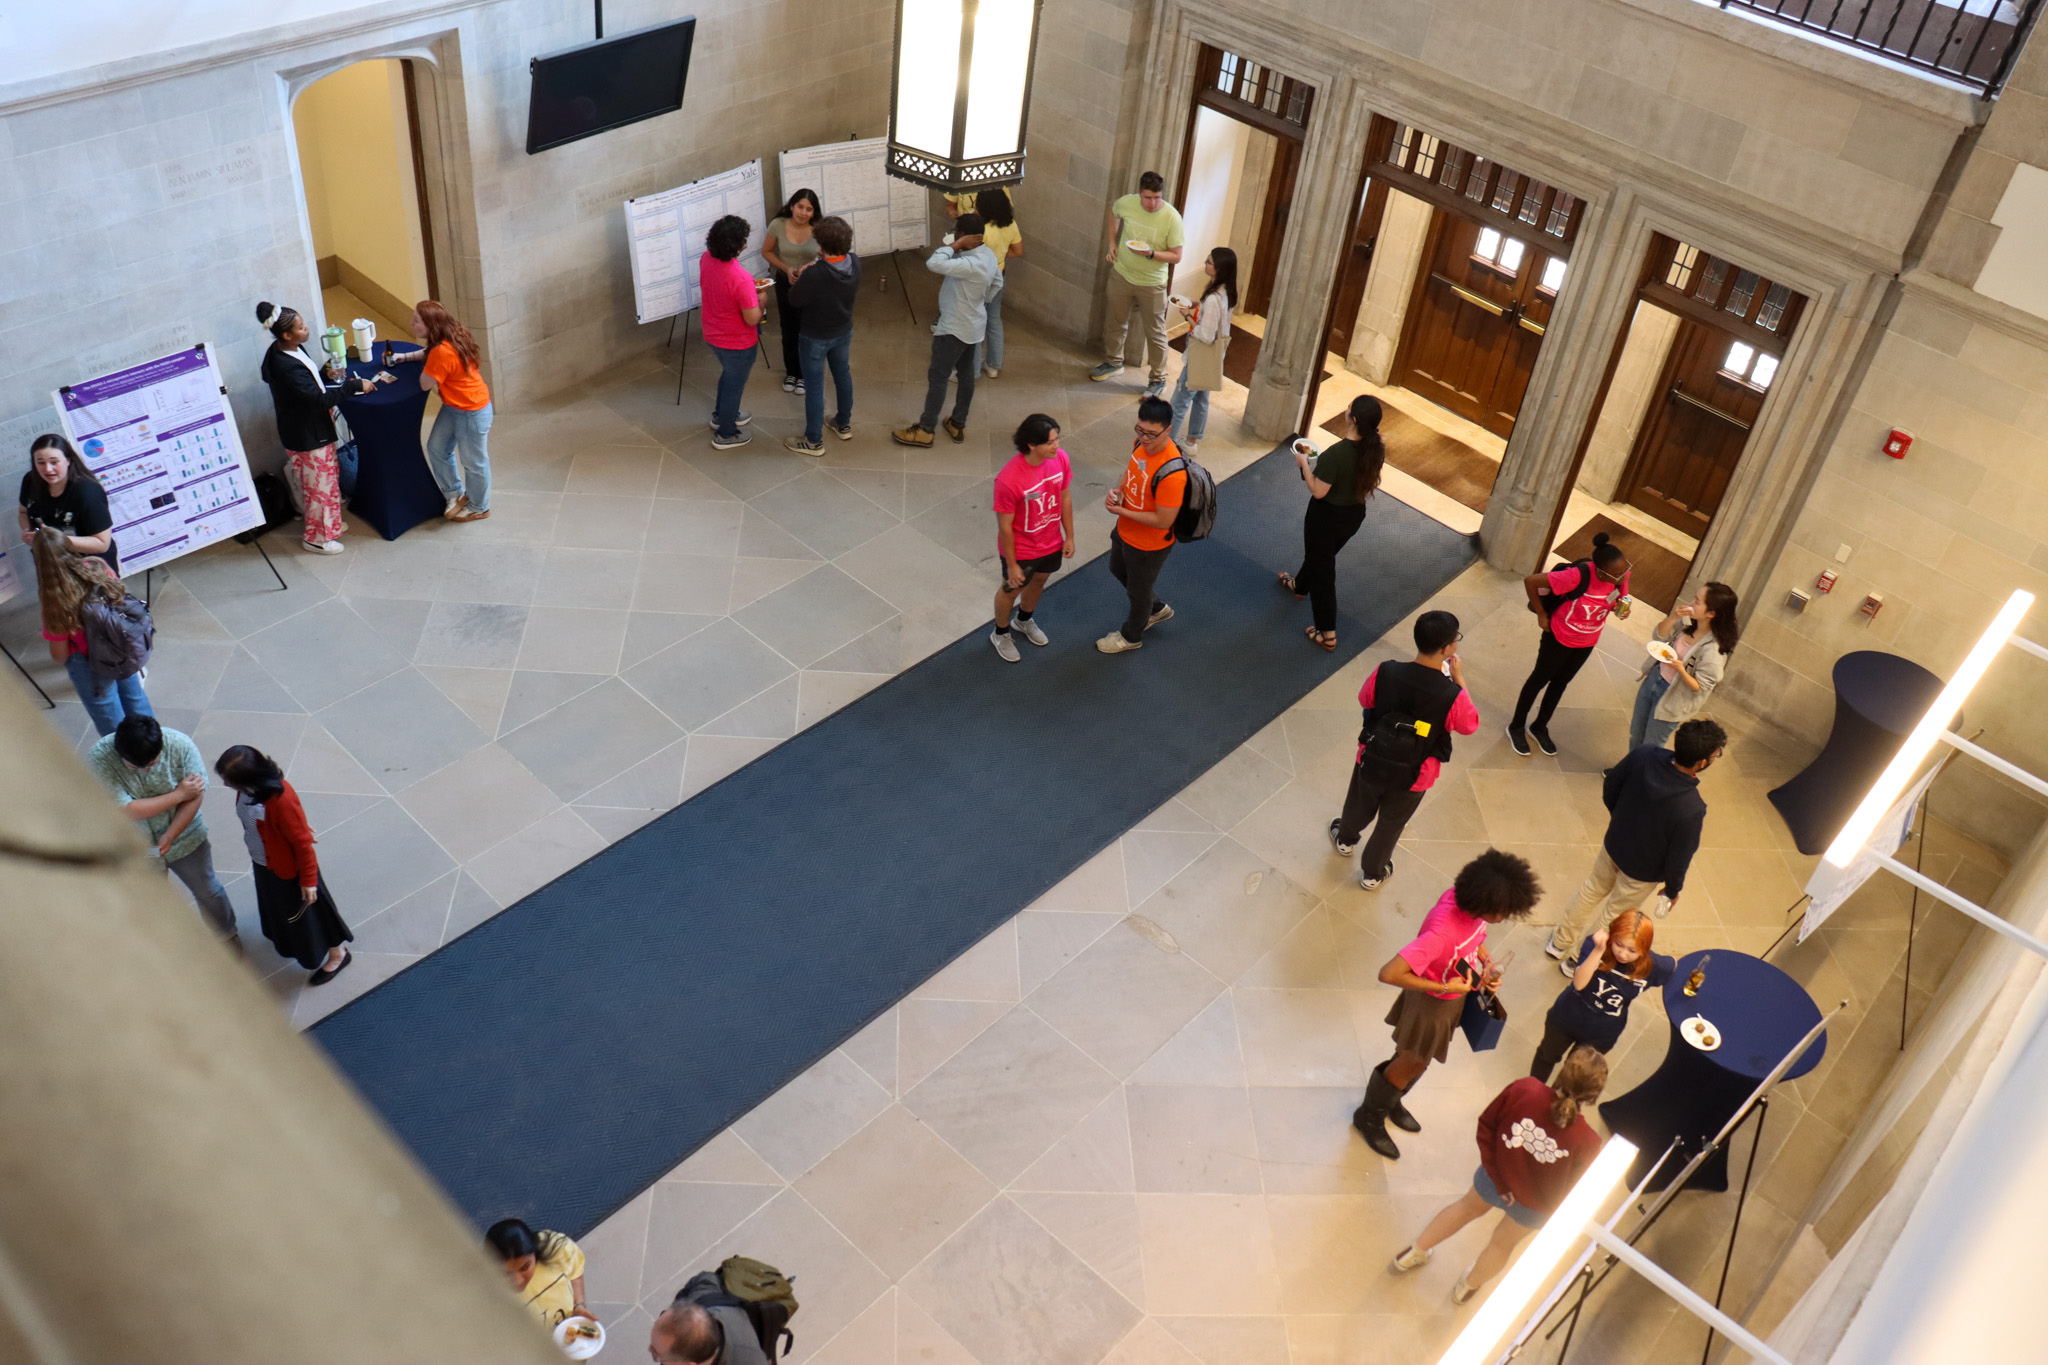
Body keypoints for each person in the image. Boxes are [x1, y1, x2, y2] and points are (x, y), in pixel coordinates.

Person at [1353, 848, 1542, 1160]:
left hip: (1450, 997)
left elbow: (1475, 938)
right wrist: (1443, 985)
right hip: (1431, 1003)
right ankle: (1369, 1116)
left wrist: (1485, 962)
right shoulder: (1441, 933)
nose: (1504, 917)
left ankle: (1392, 1099)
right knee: (1414, 1060)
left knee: (1415, 1058)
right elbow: (1389, 973)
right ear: (1484, 902)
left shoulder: (1466, 902)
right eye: (1502, 912)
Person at [1390, 1048, 1608, 1305]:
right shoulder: (1588, 1141)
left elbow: (1487, 1125)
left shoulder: (1524, 1090)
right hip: (1534, 1207)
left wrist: (1501, 1179)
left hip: (1495, 1175)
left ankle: (1415, 1252)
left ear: (1564, 1071)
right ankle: (1467, 1288)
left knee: (1463, 1209)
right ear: (1593, 1096)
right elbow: (1574, 1191)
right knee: (1501, 1246)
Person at [1545, 718, 1724, 968]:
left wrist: (1619, 819)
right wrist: (1672, 890)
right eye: (1717, 754)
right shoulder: (1691, 807)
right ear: (1702, 761)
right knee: (1613, 916)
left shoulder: (1644, 754)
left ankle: (1559, 943)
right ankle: (1578, 960)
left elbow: (1611, 785)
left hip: (1614, 845)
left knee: (1591, 890)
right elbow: (1679, 856)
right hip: (1642, 872)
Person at [1328, 610, 1477, 890]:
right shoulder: (1451, 695)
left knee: (1359, 802)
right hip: (1415, 774)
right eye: (1455, 639)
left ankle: (1345, 840)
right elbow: (1469, 725)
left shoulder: (1386, 671)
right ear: (1446, 648)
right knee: (1391, 823)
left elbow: (1365, 699)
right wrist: (1459, 680)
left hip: (1373, 757)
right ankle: (1373, 873)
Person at [88, 715, 240, 951]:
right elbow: (126, 810)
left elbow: (196, 795)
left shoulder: (180, 745)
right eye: (136, 767)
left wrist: (170, 834)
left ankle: (226, 934)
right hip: (137, 844)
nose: (145, 769)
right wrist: (178, 795)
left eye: (151, 763)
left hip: (186, 838)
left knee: (208, 890)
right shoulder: (99, 760)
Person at [214, 744, 352, 985]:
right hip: (265, 862)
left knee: (314, 913)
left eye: (229, 780)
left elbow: (302, 845)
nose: (225, 784)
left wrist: (308, 880)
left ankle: (338, 953)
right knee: (282, 909)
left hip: (289, 869)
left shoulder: (281, 798)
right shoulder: (249, 791)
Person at [255, 301, 382, 554]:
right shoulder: (286, 366)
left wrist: (326, 375)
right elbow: (317, 400)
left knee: (326, 481)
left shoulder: (287, 349)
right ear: (287, 335)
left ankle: (330, 525)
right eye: (301, 327)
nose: (307, 329)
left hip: (308, 430)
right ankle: (317, 538)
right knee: (319, 488)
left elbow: (309, 386)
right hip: (307, 435)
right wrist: (353, 387)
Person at [1506, 530, 1633, 756]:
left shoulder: (1621, 575)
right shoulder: (1576, 576)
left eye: (1625, 571)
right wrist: (1541, 614)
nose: (1624, 577)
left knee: (1561, 682)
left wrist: (1621, 609)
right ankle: (1516, 726)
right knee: (1539, 679)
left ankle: (1539, 726)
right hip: (1559, 637)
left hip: (1587, 640)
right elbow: (1531, 581)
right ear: (1601, 573)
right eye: (1618, 574)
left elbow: (1621, 598)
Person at [1281, 394, 1385, 650]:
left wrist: (1304, 463)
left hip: (1326, 518)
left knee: (1323, 572)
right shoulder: (1376, 449)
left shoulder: (1336, 454)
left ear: (1353, 419)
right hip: (1353, 516)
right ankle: (1299, 585)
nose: (1345, 407)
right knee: (1320, 557)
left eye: (1349, 406)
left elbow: (1318, 491)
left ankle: (1327, 633)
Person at [31, 526, 154, 736]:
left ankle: (125, 759)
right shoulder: (97, 566)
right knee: (136, 700)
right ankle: (153, 745)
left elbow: (59, 655)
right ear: (69, 545)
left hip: (90, 664)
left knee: (109, 717)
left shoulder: (54, 600)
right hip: (121, 648)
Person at [893, 212, 1000, 448]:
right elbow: (998, 282)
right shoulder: (988, 256)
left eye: (957, 232)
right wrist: (979, 301)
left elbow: (933, 263)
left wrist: (957, 244)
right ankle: (957, 422)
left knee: (938, 377)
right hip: (974, 326)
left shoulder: (970, 263)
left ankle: (925, 429)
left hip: (954, 328)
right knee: (965, 377)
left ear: (963, 235)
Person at [1532, 909, 1674, 1080]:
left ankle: (1560, 1106)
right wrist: (1599, 950)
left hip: (1601, 1033)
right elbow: (1579, 983)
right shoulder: (1594, 945)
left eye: (1632, 950)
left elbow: (1674, 969)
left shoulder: (1654, 966)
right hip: (1566, 1018)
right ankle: (1533, 1095)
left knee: (1575, 1077)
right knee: (1546, 1055)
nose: (1622, 954)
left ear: (1644, 950)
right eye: (1619, 945)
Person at [385, 301, 493, 523]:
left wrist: (428, 367)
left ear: (431, 325)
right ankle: (455, 494)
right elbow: (429, 352)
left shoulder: (442, 352)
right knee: (437, 447)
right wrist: (405, 357)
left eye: (416, 320)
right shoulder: (451, 333)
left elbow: (425, 383)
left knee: (474, 463)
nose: (412, 323)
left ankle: (479, 506)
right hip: (455, 406)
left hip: (471, 412)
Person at [1095, 396, 1186, 655]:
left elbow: (1163, 520)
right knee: (1117, 568)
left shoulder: (1172, 473)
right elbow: (1131, 471)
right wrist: (1119, 491)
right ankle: (1156, 609)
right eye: (1140, 430)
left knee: (1138, 591)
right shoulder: (1140, 444)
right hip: (1125, 529)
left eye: (1151, 434)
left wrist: (1121, 510)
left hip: (1149, 545)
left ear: (1168, 430)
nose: (1144, 439)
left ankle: (1131, 636)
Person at [1091, 171, 1185, 397]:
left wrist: (1151, 253)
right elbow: (1113, 212)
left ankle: (1157, 378)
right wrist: (1112, 242)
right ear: (1139, 193)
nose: (1152, 203)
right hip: (1122, 275)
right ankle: (1114, 362)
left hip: (1152, 284)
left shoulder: (1171, 218)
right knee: (1115, 321)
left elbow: (1176, 256)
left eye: (1156, 198)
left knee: (1155, 332)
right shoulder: (1127, 203)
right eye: (1147, 197)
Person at [990, 413, 1074, 662]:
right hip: (1023, 550)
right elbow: (1005, 527)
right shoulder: (1009, 480)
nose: (1056, 446)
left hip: (1050, 542)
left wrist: (1069, 536)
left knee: (1039, 581)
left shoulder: (1060, 459)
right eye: (1050, 442)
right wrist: (1013, 564)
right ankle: (1001, 633)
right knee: (1010, 590)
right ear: (1031, 445)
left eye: (1057, 439)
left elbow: (1065, 497)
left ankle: (1023, 620)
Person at [1631, 582, 1740, 752]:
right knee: (1636, 733)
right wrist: (1674, 617)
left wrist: (1681, 669)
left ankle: (1639, 777)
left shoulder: (1713, 650)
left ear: (1711, 613)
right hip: (1654, 678)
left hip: (1673, 696)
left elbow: (1701, 687)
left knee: (1651, 747)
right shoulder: (1687, 622)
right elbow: (1658, 636)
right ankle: (1627, 771)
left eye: (1697, 601)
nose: (1691, 603)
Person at [784, 214, 860, 455]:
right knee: (843, 376)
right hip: (843, 330)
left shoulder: (815, 275)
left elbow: (794, 300)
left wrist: (806, 274)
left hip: (815, 336)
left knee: (815, 388)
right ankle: (843, 423)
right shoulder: (855, 262)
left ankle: (813, 440)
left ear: (822, 246)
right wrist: (817, 265)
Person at [697, 214, 772, 450]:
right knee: (734, 385)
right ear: (737, 246)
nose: (746, 244)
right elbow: (752, 319)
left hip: (713, 333)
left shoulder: (706, 259)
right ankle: (727, 433)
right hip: (737, 342)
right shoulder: (741, 279)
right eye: (744, 240)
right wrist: (761, 299)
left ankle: (721, 415)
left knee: (729, 378)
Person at [1167, 247, 1236, 452]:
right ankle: (1191, 442)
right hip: (1214, 355)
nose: (1205, 264)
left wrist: (1187, 316)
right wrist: (1199, 305)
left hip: (1202, 355)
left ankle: (1167, 446)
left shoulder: (1214, 298)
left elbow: (1206, 335)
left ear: (1219, 268)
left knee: (1180, 400)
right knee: (1201, 398)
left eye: (1209, 262)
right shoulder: (1226, 291)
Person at [19, 433, 117, 574]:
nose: (47, 469)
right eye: (40, 462)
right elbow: (23, 512)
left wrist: (54, 540)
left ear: (68, 460)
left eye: (54, 462)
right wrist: (28, 531)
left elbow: (102, 544)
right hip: (52, 564)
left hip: (92, 567)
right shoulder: (30, 481)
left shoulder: (87, 491)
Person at [486, 1218, 597, 1336]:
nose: (518, 1281)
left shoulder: (557, 1251)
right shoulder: (487, 1294)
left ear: (535, 1253)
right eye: (506, 1274)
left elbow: (575, 1273)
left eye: (525, 1267)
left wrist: (578, 1305)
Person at [762, 188, 822, 394]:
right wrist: (786, 268)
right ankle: (792, 371)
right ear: (791, 206)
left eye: (809, 209)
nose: (803, 213)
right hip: (785, 281)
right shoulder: (778, 225)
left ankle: (805, 373)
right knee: (788, 328)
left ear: (814, 213)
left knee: (808, 329)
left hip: (811, 284)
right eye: (800, 207)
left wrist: (811, 265)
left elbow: (826, 256)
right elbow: (766, 251)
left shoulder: (819, 229)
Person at [974, 187, 1024, 379]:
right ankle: (993, 366)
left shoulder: (981, 228)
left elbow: (971, 255)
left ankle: (973, 370)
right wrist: (1000, 257)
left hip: (979, 278)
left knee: (976, 321)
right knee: (994, 319)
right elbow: (1018, 251)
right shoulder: (1010, 224)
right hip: (998, 275)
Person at [649, 1301, 768, 1365]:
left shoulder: (749, 1361)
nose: (649, 1348)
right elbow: (704, 1280)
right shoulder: (703, 1301)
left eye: (656, 1354)